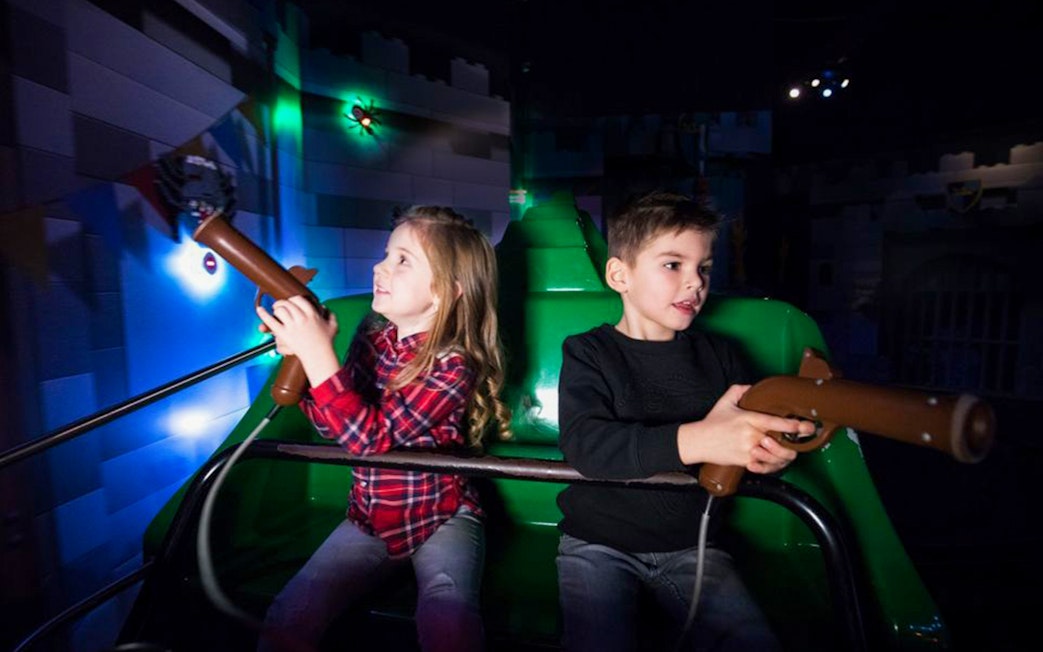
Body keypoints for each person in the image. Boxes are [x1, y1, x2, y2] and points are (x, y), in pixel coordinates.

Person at [554, 190, 813, 652]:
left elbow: (749, 438)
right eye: (673, 264)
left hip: (693, 546)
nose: (695, 282)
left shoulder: (721, 355)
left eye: (704, 268)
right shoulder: (588, 352)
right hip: (597, 543)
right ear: (620, 275)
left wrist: (769, 453)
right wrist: (700, 440)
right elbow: (586, 445)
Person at [254, 206, 510, 652]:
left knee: (448, 624)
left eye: (402, 260)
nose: (380, 267)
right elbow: (334, 427)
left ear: (446, 292)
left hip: (441, 516)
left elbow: (369, 440)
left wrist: (317, 354)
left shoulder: (454, 365)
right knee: (289, 616)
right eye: (386, 254)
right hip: (370, 517)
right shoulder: (371, 336)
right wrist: (304, 356)